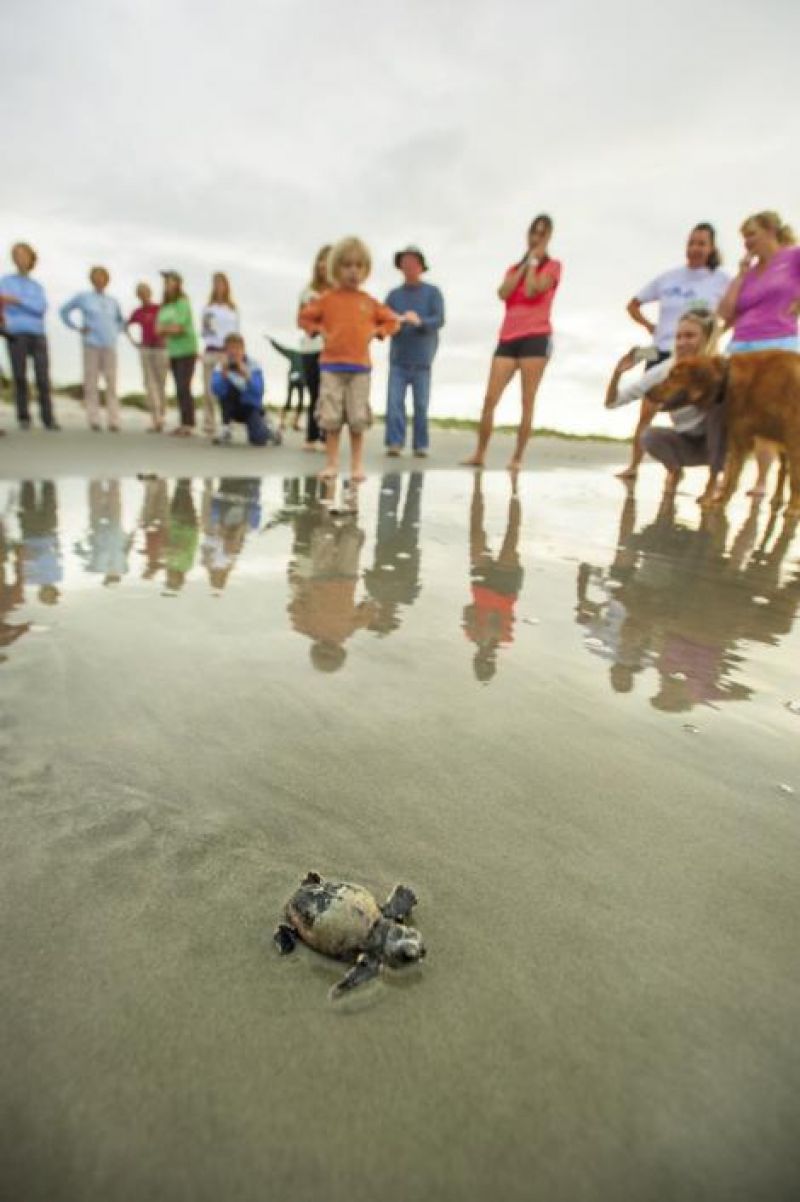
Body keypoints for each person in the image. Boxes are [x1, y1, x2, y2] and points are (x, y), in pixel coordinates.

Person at [621, 224, 730, 478]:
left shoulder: (722, 279)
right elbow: (632, 305)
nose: (695, 248)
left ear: (711, 247)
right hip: (660, 350)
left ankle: (715, 473)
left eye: (701, 243)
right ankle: (635, 466)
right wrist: (650, 326)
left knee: (701, 411)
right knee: (647, 409)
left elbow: (737, 307)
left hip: (698, 357)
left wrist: (718, 334)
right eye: (691, 242)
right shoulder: (668, 277)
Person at [463, 214, 562, 471]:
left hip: (536, 339)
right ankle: (480, 453)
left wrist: (534, 263)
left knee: (527, 400)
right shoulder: (513, 269)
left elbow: (532, 290)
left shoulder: (553, 267)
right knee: (489, 398)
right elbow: (503, 292)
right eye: (533, 232)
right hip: (508, 337)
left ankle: (517, 457)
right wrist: (524, 263)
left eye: (542, 233)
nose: (536, 238)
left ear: (549, 237)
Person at [298, 237, 399, 482]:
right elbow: (304, 318)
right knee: (330, 417)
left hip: (360, 368)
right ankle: (332, 463)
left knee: (357, 417)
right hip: (331, 366)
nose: (353, 271)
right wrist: (317, 329)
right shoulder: (326, 299)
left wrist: (380, 331)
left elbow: (392, 320)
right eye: (346, 265)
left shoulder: (369, 302)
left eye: (358, 266)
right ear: (335, 268)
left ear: (365, 270)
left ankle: (356, 465)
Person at [717, 210, 800, 497]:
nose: (747, 242)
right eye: (743, 237)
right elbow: (725, 312)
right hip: (742, 347)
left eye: (751, 234)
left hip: (779, 345)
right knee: (738, 417)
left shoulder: (793, 257)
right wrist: (740, 275)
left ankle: (763, 480)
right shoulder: (749, 274)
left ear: (770, 231)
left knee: (768, 413)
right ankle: (729, 479)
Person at [605, 308, 724, 497]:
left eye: (690, 336)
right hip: (688, 444)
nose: (682, 342)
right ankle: (674, 471)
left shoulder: (720, 366)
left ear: (707, 337)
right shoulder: (666, 367)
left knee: (721, 409)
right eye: (678, 337)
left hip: (721, 446)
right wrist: (617, 373)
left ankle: (716, 479)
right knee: (648, 435)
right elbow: (612, 403)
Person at [384, 245, 445, 458]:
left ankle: (421, 444)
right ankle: (394, 442)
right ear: (400, 266)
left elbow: (439, 319)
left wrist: (419, 321)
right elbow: (383, 321)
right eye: (404, 262)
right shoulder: (393, 295)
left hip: (423, 361)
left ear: (421, 266)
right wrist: (397, 321)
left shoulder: (433, 292)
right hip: (398, 360)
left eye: (412, 262)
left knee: (421, 405)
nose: (408, 266)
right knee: (394, 403)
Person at [462, 473, 524, 683]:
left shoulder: (471, 635)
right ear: (494, 660)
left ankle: (478, 487)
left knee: (475, 535)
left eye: (480, 661)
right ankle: (515, 492)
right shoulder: (506, 638)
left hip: (480, 589)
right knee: (511, 537)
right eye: (487, 661)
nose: (484, 657)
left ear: (475, 658)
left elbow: (468, 609)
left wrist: (475, 627)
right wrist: (487, 633)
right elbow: (497, 618)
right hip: (505, 590)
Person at [60, 266, 125, 431]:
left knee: (112, 382)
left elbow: (120, 321)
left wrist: (115, 332)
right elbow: (64, 311)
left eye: (102, 276)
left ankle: (114, 420)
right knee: (91, 381)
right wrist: (76, 327)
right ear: (91, 279)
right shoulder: (84, 297)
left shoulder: (113, 301)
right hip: (91, 343)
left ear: (107, 280)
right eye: (96, 276)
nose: (99, 280)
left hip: (109, 345)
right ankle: (93, 419)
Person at [0, 242, 57, 431]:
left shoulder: (37, 286)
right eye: (16, 254)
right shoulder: (5, 281)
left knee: (43, 377)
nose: (20, 258)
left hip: (38, 334)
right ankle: (23, 416)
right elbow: (3, 303)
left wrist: (17, 300)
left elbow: (40, 308)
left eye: (24, 254)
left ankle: (48, 418)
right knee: (19, 376)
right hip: (15, 334)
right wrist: (22, 304)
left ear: (31, 258)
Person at [211, 332, 279, 447]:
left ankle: (269, 430)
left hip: (250, 406)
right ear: (226, 351)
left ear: (243, 349)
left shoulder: (254, 365)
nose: (234, 352)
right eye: (230, 349)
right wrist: (223, 375)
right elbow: (217, 391)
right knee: (229, 389)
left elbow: (259, 391)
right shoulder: (221, 366)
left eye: (237, 349)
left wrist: (247, 376)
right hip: (231, 407)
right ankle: (225, 428)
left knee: (258, 440)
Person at [297, 244, 332, 450]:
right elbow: (300, 320)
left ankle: (327, 437)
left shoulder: (339, 293)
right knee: (314, 393)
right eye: (322, 259)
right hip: (310, 348)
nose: (324, 265)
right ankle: (311, 436)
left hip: (332, 350)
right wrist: (316, 326)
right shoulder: (307, 292)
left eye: (329, 260)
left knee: (329, 393)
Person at [156, 270, 198, 437]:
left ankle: (189, 423)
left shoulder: (183, 302)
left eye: (170, 281)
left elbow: (179, 328)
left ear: (178, 284)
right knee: (178, 388)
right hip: (173, 351)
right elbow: (158, 329)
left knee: (184, 386)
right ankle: (183, 422)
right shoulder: (166, 306)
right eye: (165, 282)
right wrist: (168, 329)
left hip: (187, 350)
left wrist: (167, 329)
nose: (167, 284)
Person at [200, 273, 240, 437]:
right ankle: (209, 424)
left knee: (226, 389)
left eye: (221, 283)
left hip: (226, 353)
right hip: (211, 350)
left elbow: (236, 333)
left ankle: (227, 422)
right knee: (209, 389)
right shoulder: (208, 309)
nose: (219, 287)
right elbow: (205, 331)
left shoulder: (232, 309)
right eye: (216, 284)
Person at [127, 282, 169, 432]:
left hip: (161, 349)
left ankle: (162, 415)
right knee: (149, 384)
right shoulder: (138, 312)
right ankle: (155, 418)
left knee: (161, 383)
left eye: (145, 292)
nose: (143, 295)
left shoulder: (159, 308)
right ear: (138, 296)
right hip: (146, 349)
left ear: (150, 293)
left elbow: (169, 323)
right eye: (140, 293)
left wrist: (166, 339)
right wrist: (135, 342)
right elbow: (126, 326)